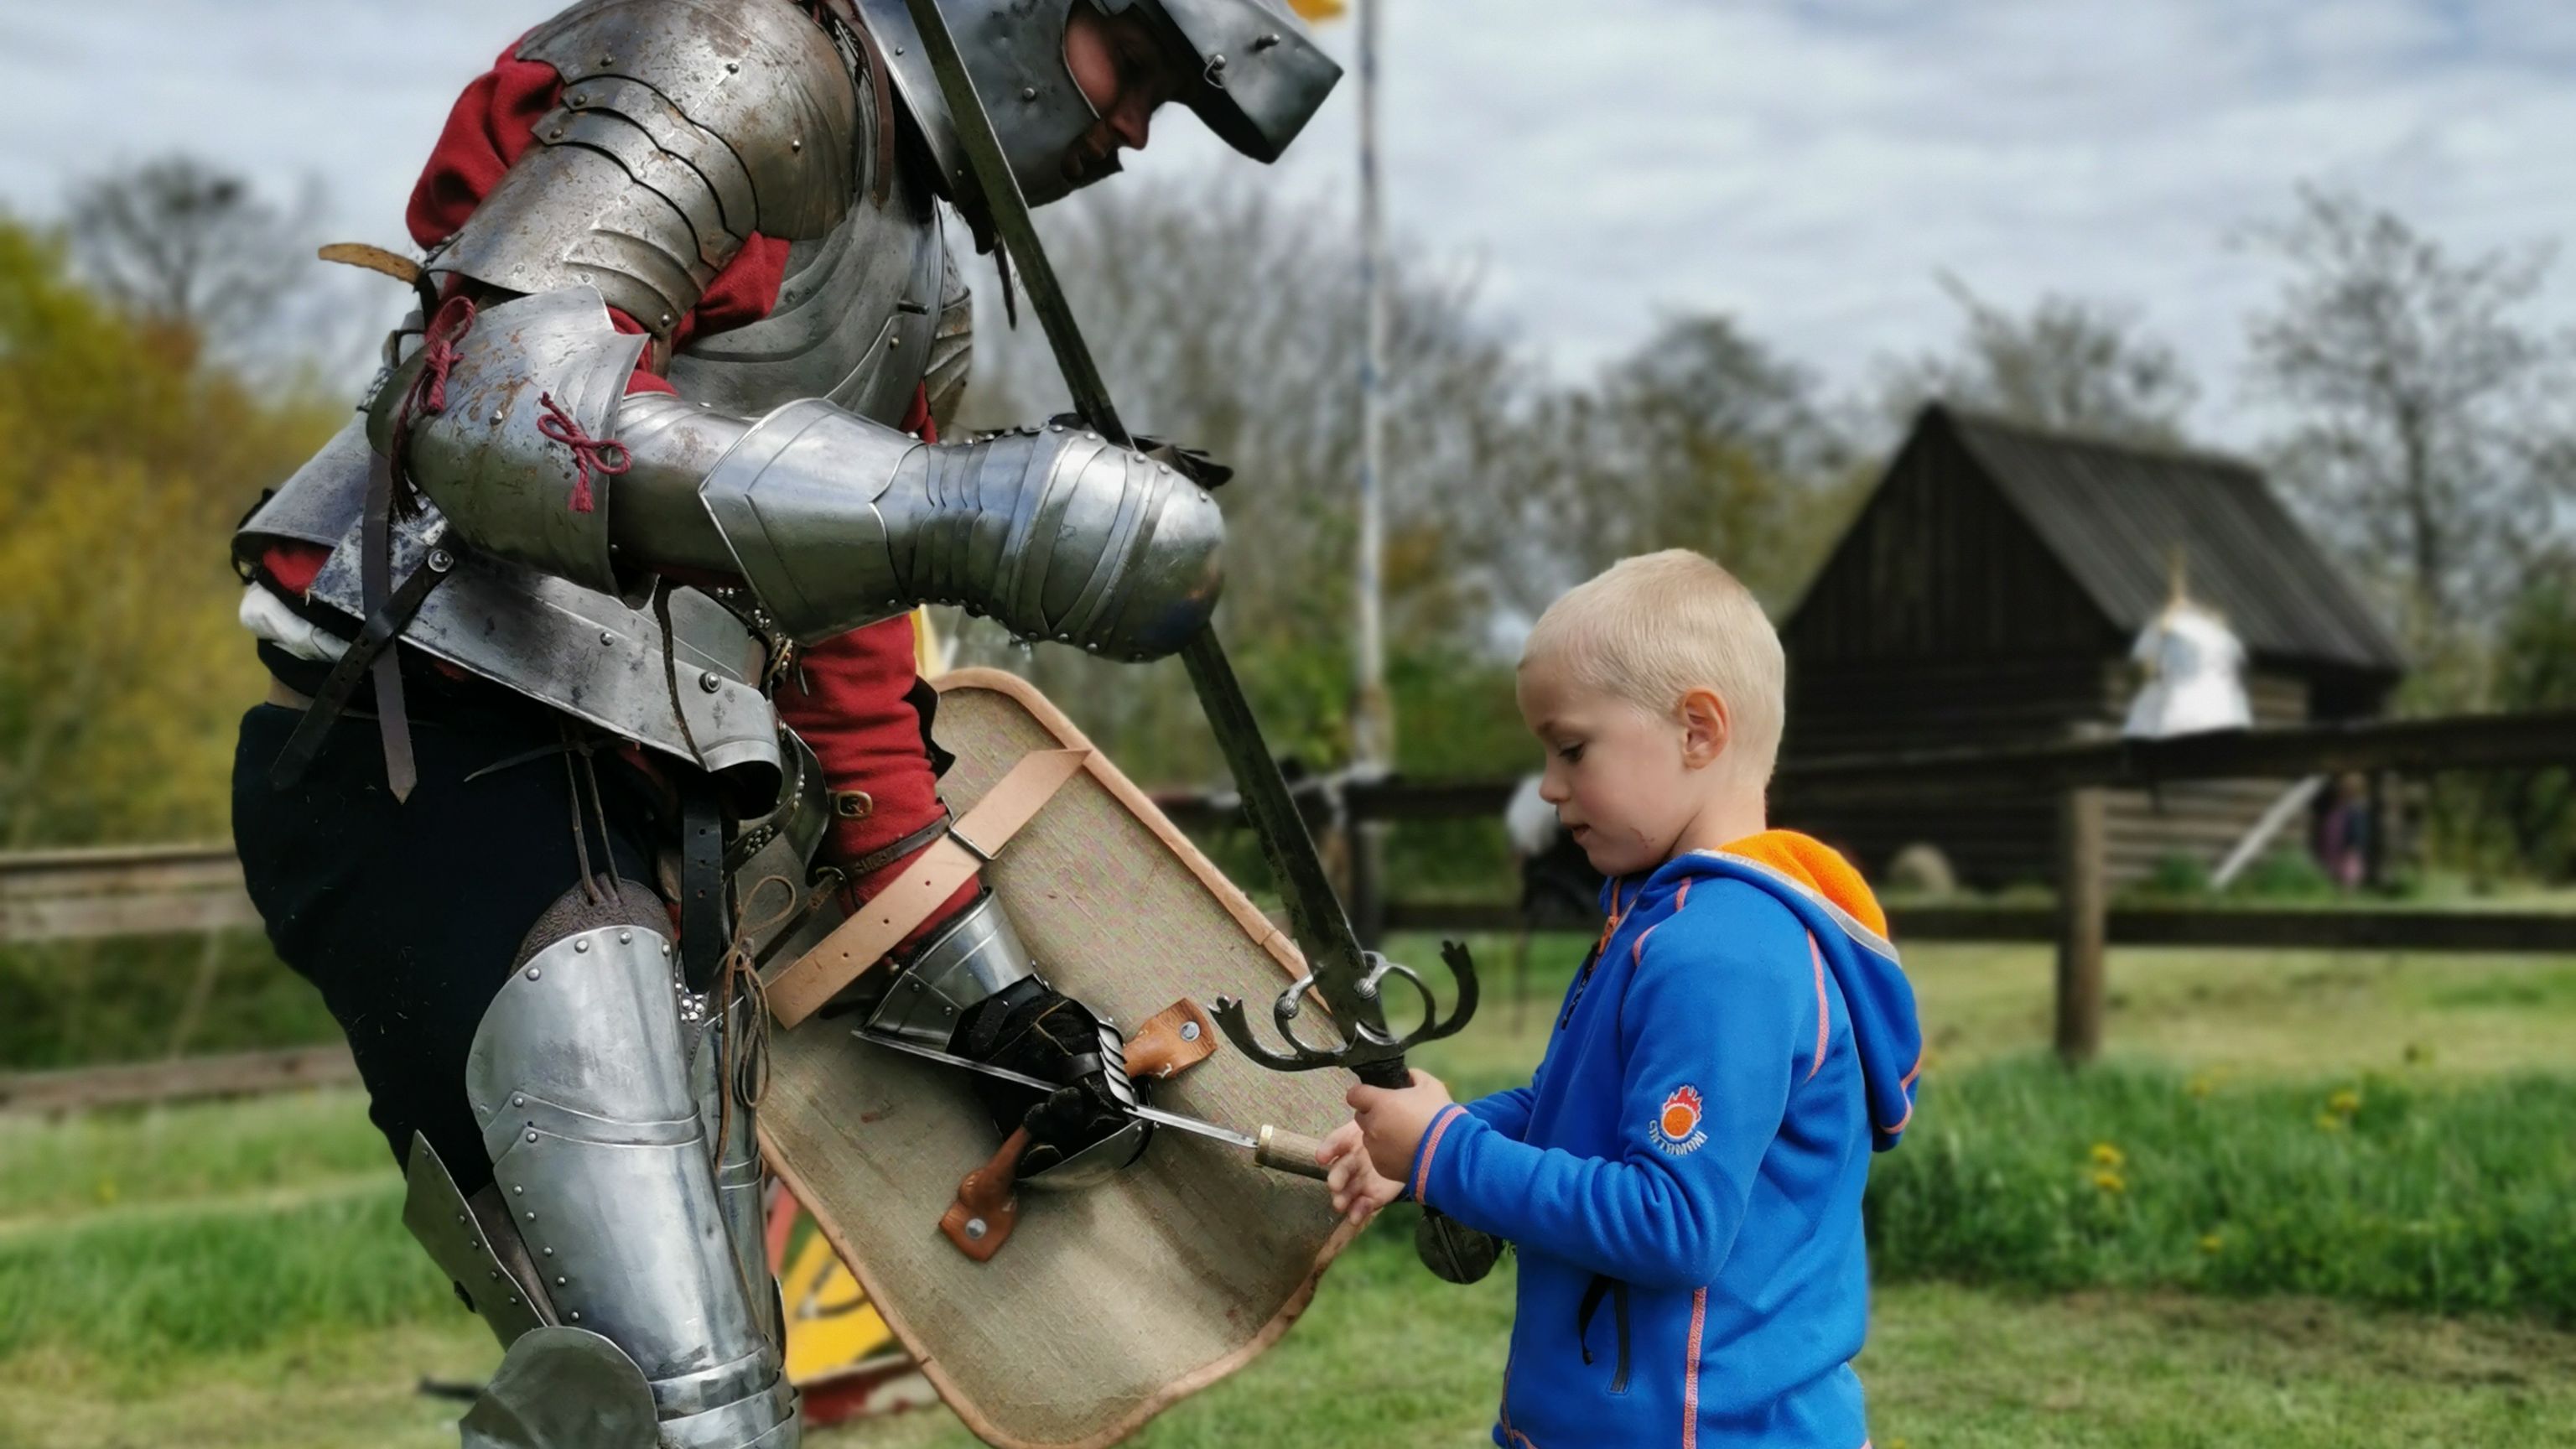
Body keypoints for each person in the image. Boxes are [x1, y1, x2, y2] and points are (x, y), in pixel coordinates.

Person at [226, 3, 1338, 1445]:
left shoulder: (921, 275)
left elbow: (841, 667)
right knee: (680, 1411)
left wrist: (997, 1003)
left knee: (722, 1402)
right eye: (1129, 65)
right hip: (446, 745)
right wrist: (951, 514)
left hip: (652, 810)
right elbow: (492, 403)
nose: (1129, 128)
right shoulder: (733, 60)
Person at [1320, 550, 1923, 1449]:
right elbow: (1577, 1109)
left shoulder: (1723, 954)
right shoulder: (1655, 919)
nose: (1549, 786)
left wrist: (1447, 1151)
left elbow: (1672, 1224)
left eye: (1571, 748)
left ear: (1698, 731)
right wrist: (1426, 1143)